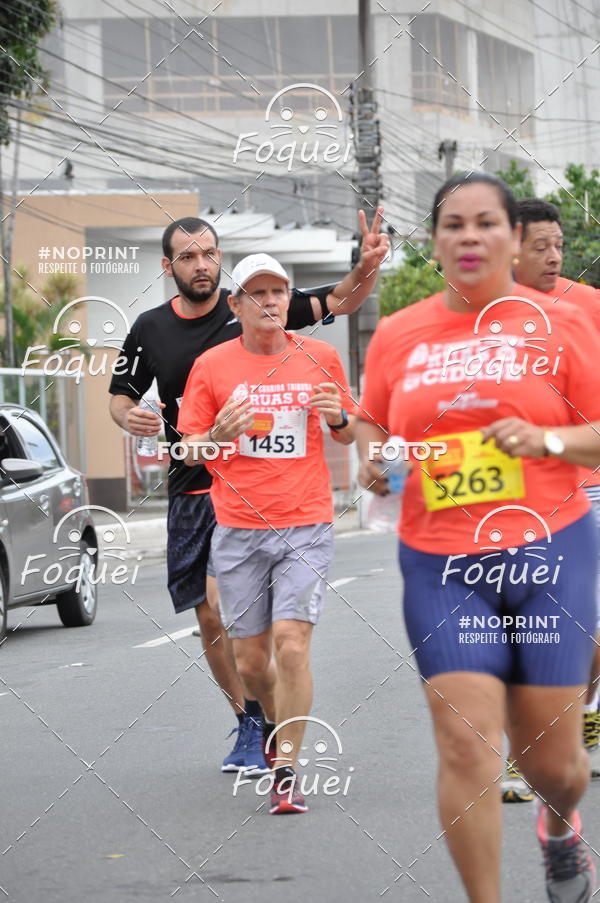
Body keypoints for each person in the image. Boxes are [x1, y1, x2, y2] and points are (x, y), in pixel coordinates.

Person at [356, 173, 600, 902]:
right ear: (434, 242)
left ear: (512, 238)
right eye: (453, 224)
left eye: (486, 222)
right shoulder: (399, 334)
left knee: (553, 763)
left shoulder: (565, 325)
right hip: (441, 560)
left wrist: (547, 439)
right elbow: (373, 418)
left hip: (551, 548)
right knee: (467, 745)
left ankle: (561, 825)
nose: (469, 236)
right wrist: (371, 458)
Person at [109, 212, 388, 774]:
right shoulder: (149, 328)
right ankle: (248, 721)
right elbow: (121, 395)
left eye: (209, 253)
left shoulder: (265, 305)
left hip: (281, 501)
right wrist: (129, 418)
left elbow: (340, 300)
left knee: (272, 634)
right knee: (212, 618)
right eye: (188, 257)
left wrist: (365, 265)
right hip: (195, 484)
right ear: (169, 267)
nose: (201, 264)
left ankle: (276, 741)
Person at [177, 252, 355, 814]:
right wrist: (216, 435)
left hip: (304, 522)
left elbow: (348, 434)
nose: (270, 302)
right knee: (253, 663)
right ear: (236, 305)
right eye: (256, 294)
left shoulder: (320, 356)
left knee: (292, 646)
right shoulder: (211, 366)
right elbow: (187, 450)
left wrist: (337, 419)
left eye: (278, 292)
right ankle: (272, 724)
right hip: (237, 528)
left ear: (288, 299)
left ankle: (288, 771)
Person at [507, 197, 600, 798]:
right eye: (539, 245)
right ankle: (526, 750)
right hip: (526, 495)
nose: (553, 255)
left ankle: (582, 709)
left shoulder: (588, 305)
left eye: (558, 245)